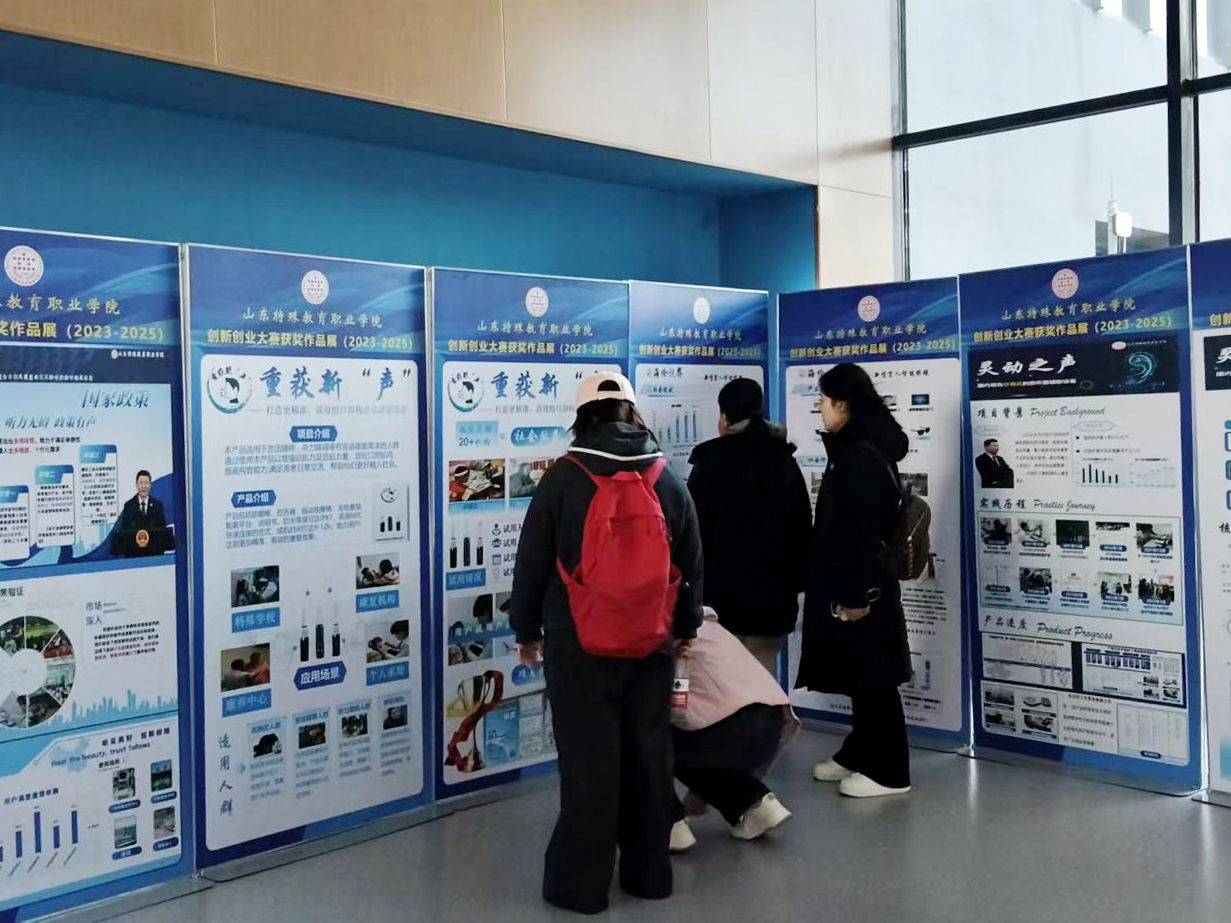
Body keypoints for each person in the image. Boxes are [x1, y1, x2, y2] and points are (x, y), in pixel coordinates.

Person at [511, 372, 703, 915]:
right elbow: (690, 559)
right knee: (649, 757)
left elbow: (531, 560)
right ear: (632, 413)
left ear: (582, 416)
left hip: (578, 643)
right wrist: (686, 627)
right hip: (651, 641)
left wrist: (526, 630)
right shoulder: (665, 477)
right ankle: (649, 876)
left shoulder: (563, 478)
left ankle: (580, 888)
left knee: (588, 764)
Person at [797, 363, 913, 799]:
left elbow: (859, 533)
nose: (820, 410)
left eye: (823, 402)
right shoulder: (858, 446)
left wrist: (857, 596)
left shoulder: (859, 455)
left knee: (874, 677)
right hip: (860, 581)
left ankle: (890, 771)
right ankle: (861, 751)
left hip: (866, 586)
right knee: (859, 673)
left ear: (842, 404)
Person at [687, 377, 812, 673]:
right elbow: (801, 530)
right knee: (761, 682)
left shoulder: (710, 463)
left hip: (720, 604)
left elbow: (693, 536)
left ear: (724, 417)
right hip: (772, 604)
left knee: (721, 685)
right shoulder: (784, 460)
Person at [669, 608, 798, 852]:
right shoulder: (709, 627)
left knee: (650, 735)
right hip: (773, 723)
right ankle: (755, 805)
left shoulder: (672, 635)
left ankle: (669, 824)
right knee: (700, 750)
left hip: (727, 730)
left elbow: (676, 708)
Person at [111, 470, 172, 556]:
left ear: (150, 485)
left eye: (146, 483)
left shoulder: (157, 505)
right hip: (134, 555)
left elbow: (162, 531)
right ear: (136, 485)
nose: (143, 486)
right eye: (141, 483)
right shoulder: (128, 506)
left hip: (154, 554)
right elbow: (124, 533)